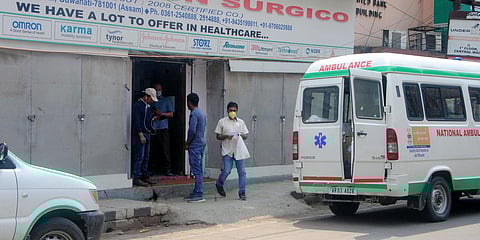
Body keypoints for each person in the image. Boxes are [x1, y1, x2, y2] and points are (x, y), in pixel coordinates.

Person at [215, 102, 249, 201]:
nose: (232, 112)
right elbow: (218, 136)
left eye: (234, 111)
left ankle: (242, 192)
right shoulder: (222, 122)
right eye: (231, 111)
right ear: (227, 111)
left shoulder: (241, 122)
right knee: (226, 170)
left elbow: (246, 135)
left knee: (242, 172)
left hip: (239, 150)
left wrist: (240, 136)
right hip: (227, 150)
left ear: (237, 111)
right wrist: (226, 136)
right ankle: (219, 183)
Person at [132, 88, 158, 187]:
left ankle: (144, 174)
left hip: (147, 132)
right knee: (140, 156)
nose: (152, 101)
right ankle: (137, 176)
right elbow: (137, 120)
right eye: (151, 99)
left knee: (146, 156)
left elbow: (147, 119)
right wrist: (140, 133)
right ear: (146, 97)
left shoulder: (148, 106)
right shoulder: (138, 106)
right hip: (140, 133)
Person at [184, 93, 207, 203]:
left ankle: (198, 193)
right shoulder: (202, 113)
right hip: (201, 143)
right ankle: (197, 191)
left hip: (195, 144)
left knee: (196, 169)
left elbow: (192, 130)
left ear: (189, 102)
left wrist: (187, 142)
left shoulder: (194, 114)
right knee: (199, 168)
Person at [150, 82, 175, 176]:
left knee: (165, 149)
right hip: (153, 127)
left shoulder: (166, 100)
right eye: (156, 90)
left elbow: (171, 114)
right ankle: (153, 168)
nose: (158, 91)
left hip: (163, 127)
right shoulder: (151, 100)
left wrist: (162, 114)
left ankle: (167, 169)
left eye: (159, 89)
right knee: (153, 149)